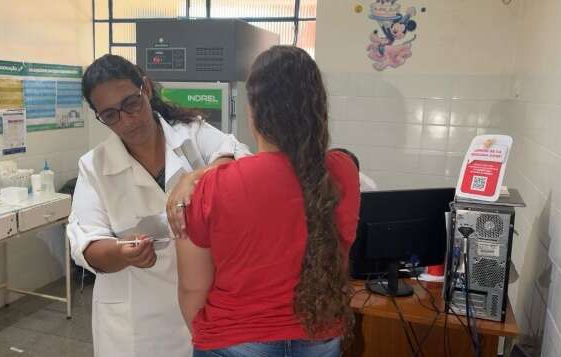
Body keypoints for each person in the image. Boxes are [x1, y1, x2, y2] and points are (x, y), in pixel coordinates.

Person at [175, 46, 360, 357]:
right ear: (318, 109)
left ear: (253, 111)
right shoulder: (342, 171)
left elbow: (193, 288)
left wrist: (213, 336)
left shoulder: (210, 187)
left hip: (232, 341)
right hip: (319, 336)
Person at [66, 54, 249, 357]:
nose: (126, 120)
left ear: (146, 89)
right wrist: (122, 252)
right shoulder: (94, 166)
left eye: (131, 104)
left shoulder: (192, 135)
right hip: (133, 326)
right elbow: (86, 245)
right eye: (111, 115)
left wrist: (197, 176)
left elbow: (237, 153)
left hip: (200, 306)